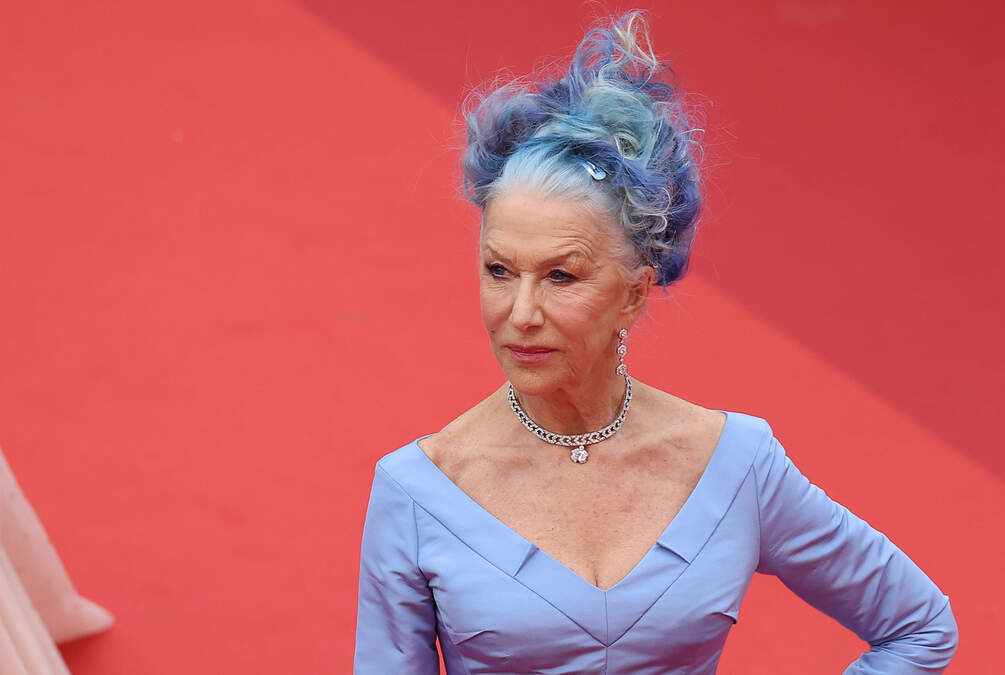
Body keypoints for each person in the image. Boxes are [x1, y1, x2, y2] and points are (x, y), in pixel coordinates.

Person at [354, 10, 957, 674]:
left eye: (561, 276)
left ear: (635, 294)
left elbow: (918, 625)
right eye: (500, 271)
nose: (519, 314)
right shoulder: (416, 491)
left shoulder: (737, 464)